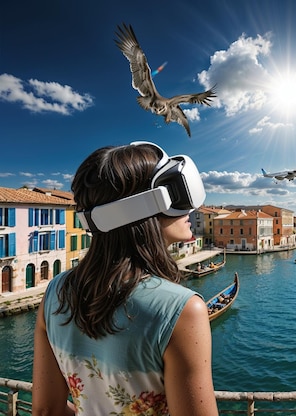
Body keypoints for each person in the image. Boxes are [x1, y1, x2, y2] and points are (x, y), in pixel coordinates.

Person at [32, 142, 219, 415]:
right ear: (149, 204)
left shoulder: (55, 292)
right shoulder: (183, 310)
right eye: (178, 194)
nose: (190, 210)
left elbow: (45, 410)